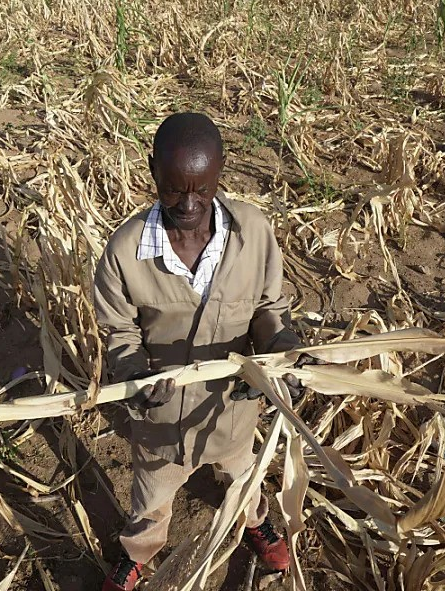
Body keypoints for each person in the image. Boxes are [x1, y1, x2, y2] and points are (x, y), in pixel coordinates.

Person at [93, 112, 310, 591]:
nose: (188, 204)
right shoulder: (125, 252)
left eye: (202, 190)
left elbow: (269, 309)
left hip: (231, 412)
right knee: (151, 498)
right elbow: (120, 333)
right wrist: (134, 375)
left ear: (220, 173)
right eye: (173, 189)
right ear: (152, 170)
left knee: (244, 476)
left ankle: (254, 521)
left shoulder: (253, 232)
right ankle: (138, 554)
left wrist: (283, 350)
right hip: (161, 419)